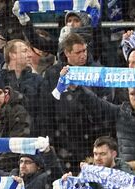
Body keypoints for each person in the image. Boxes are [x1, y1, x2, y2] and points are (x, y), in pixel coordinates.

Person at [39, 33, 111, 171]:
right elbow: (46, 109)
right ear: (67, 53)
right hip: (64, 139)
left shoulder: (96, 71)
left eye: (84, 50)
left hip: (92, 136)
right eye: (78, 52)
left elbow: (104, 104)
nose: (83, 55)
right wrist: (50, 139)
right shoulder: (53, 74)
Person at [0, 39, 43, 124]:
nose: (29, 55)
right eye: (24, 51)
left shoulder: (38, 80)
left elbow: (42, 111)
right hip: (5, 133)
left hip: (31, 133)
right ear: (12, 55)